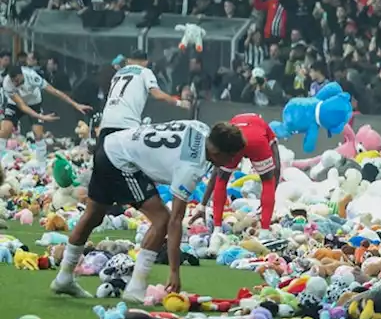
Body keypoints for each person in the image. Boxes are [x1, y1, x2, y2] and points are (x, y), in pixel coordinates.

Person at [50, 120, 246, 301]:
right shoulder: (190, 167)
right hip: (121, 162)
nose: (232, 162)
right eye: (231, 157)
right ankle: (136, 289)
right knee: (162, 219)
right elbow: (175, 221)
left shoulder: (201, 128)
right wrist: (174, 272)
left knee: (93, 216)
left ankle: (64, 278)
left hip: (110, 146)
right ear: (219, 153)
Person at [204, 113, 281, 230]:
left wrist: (203, 204)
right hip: (256, 141)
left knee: (222, 179)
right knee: (268, 181)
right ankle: (265, 231)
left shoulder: (226, 132)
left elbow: (216, 172)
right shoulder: (264, 128)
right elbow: (277, 168)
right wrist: (267, 203)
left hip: (233, 142)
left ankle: (217, 228)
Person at [97, 49, 190, 138]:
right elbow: (157, 94)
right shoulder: (144, 72)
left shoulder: (118, 73)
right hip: (126, 123)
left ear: (129, 60)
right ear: (146, 62)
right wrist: (180, 103)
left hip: (106, 122)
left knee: (104, 153)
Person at [1, 63, 92, 140]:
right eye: (13, 81)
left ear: (21, 75)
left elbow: (55, 91)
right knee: (5, 129)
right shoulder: (7, 83)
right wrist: (42, 117)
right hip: (16, 103)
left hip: (34, 102)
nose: (15, 84)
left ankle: (41, 160)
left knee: (38, 134)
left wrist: (75, 104)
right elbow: (22, 106)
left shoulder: (32, 76)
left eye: (17, 80)